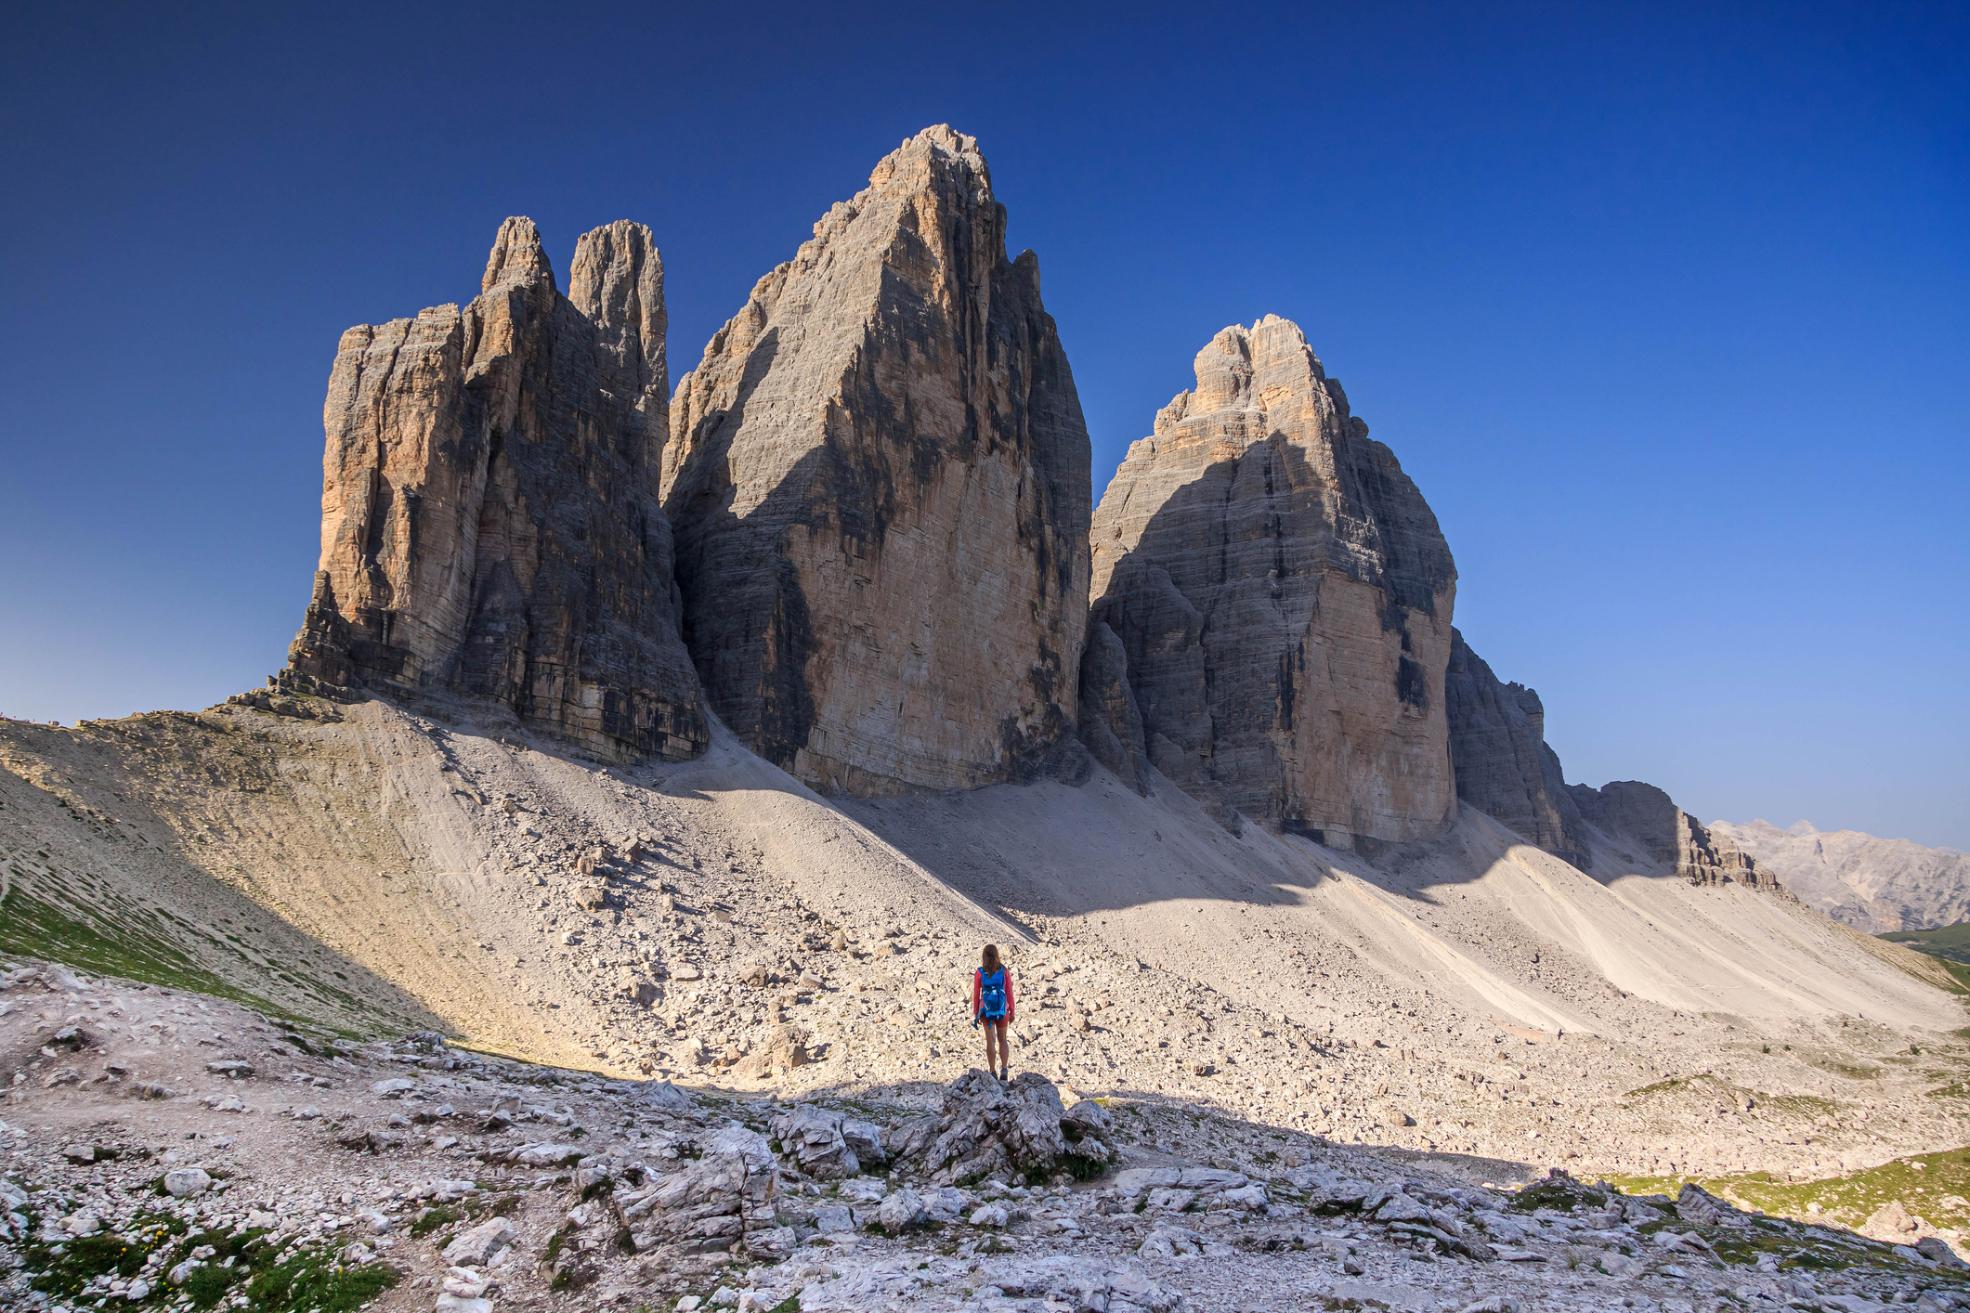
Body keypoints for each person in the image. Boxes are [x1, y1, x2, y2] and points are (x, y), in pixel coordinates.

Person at [970, 943, 1015, 1080]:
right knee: (1003, 1040)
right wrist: (1011, 1011)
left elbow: (976, 993)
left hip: (986, 1011)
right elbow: (1009, 992)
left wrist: (976, 1012)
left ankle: (992, 1071)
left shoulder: (980, 972)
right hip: (1002, 1010)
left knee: (990, 1041)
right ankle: (1004, 1069)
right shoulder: (1003, 971)